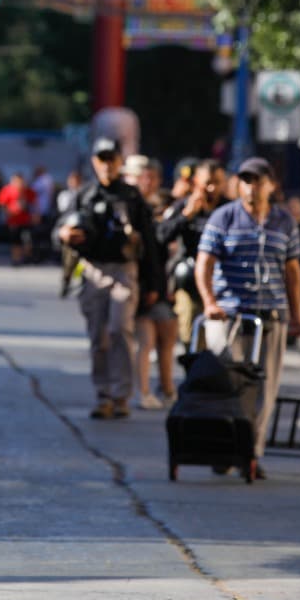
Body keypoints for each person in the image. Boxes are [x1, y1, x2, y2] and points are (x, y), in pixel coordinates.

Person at [195, 157, 300, 478]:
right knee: (226, 382)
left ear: (272, 186)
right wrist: (209, 302)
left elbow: (292, 270)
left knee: (263, 389)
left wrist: (297, 315)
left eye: (258, 180)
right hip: (230, 315)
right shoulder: (224, 217)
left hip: (270, 315)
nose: (251, 187)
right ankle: (222, 448)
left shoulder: (284, 222)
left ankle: (250, 454)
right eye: (245, 180)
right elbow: (204, 262)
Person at [58, 138, 161, 420]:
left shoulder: (131, 196)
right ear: (94, 162)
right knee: (98, 337)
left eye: (111, 159)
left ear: (119, 162)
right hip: (92, 270)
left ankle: (121, 394)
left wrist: (154, 283)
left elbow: (150, 241)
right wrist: (64, 234)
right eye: (101, 159)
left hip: (123, 270)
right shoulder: (84, 194)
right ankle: (103, 395)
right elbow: (62, 226)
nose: (107, 165)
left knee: (119, 330)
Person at [125, 156, 178, 410]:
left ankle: (168, 389)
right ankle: (141, 390)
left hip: (162, 283)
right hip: (140, 283)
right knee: (144, 341)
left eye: (152, 177)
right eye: (142, 176)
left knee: (167, 338)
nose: (147, 182)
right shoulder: (131, 207)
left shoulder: (164, 206)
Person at [159, 159, 226, 337]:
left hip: (222, 284)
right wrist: (186, 215)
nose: (212, 189)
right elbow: (161, 236)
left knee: (219, 342)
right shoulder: (184, 206)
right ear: (196, 182)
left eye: (216, 183)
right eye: (207, 184)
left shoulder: (228, 210)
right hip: (189, 282)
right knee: (192, 337)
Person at [0, 172, 37, 266]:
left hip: (26, 220)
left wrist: (36, 215)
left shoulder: (28, 191)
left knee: (27, 240)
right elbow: (1, 204)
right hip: (13, 220)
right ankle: (16, 259)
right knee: (15, 241)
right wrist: (8, 211)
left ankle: (26, 256)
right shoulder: (7, 190)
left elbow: (35, 204)